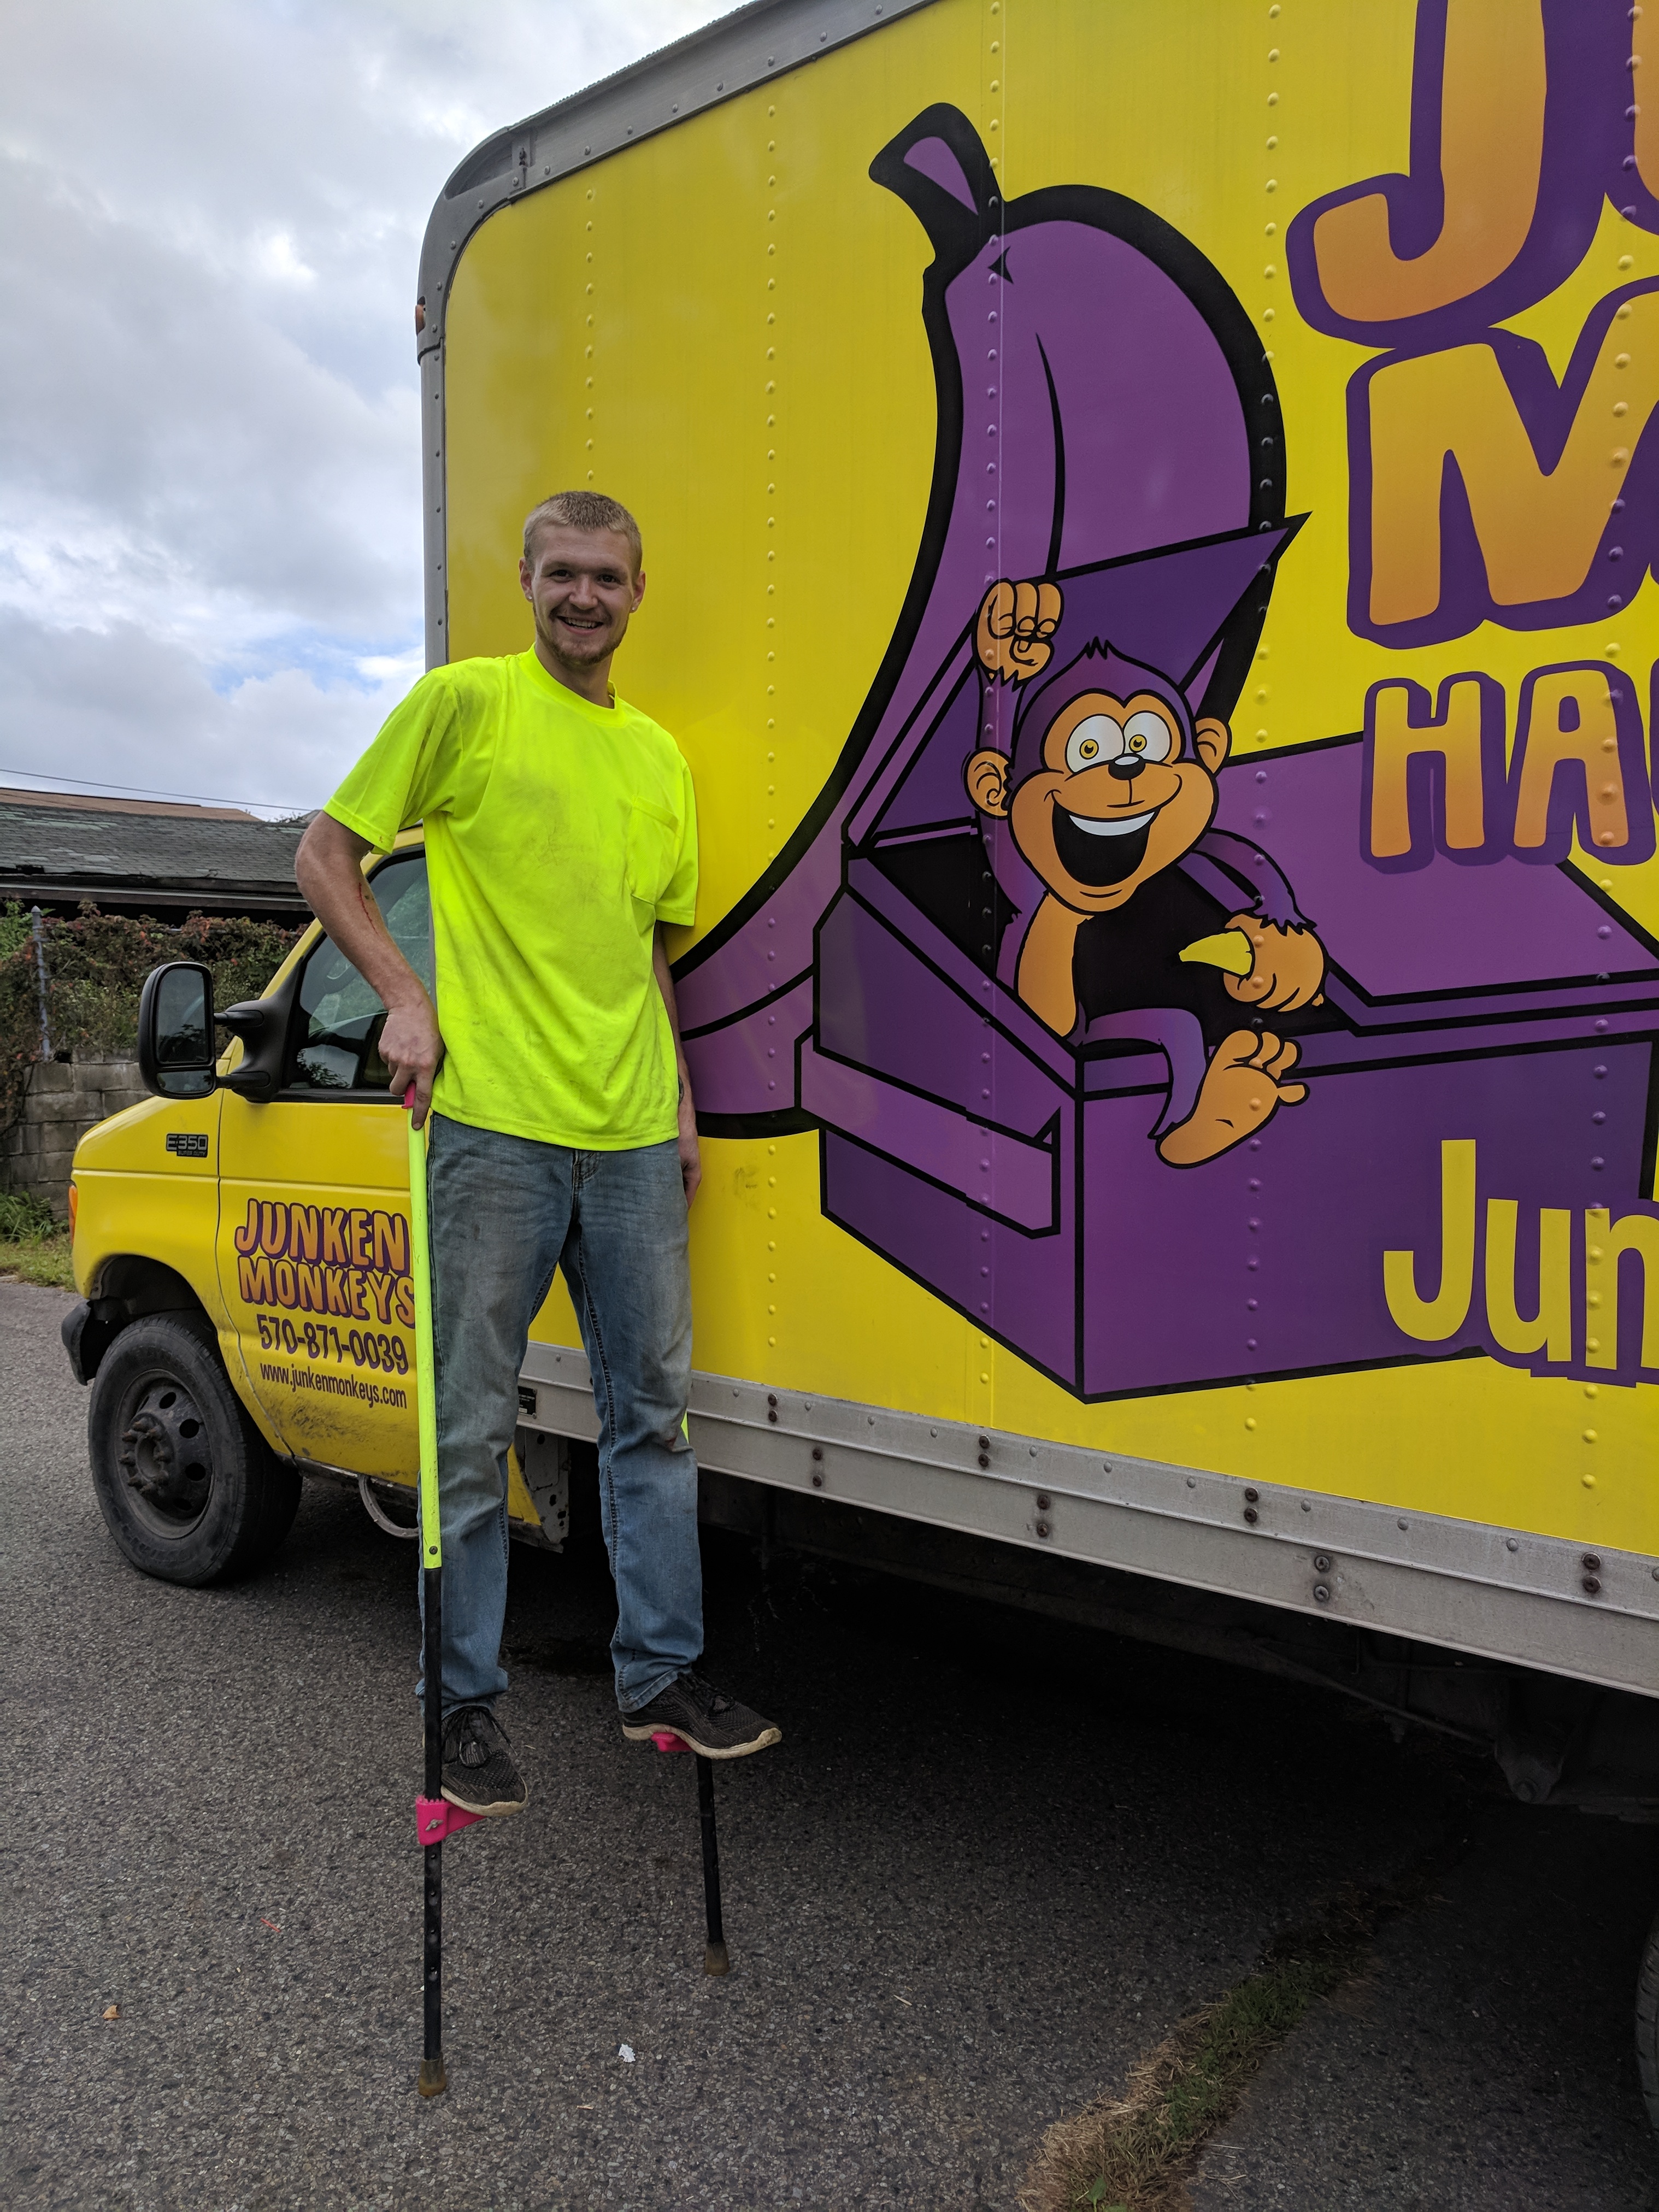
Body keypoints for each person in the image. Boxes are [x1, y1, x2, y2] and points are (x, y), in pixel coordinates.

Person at [295, 489, 781, 1816]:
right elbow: (325, 852)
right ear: (527, 579)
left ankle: (661, 1675)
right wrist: (403, 991)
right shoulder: (466, 706)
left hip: (628, 1139)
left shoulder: (659, 760)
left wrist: (680, 1102)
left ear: (639, 591)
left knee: (655, 1423)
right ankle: (461, 1709)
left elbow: (650, 951)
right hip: (494, 1132)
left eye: (608, 577)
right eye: (563, 572)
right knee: (467, 1433)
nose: (584, 596)